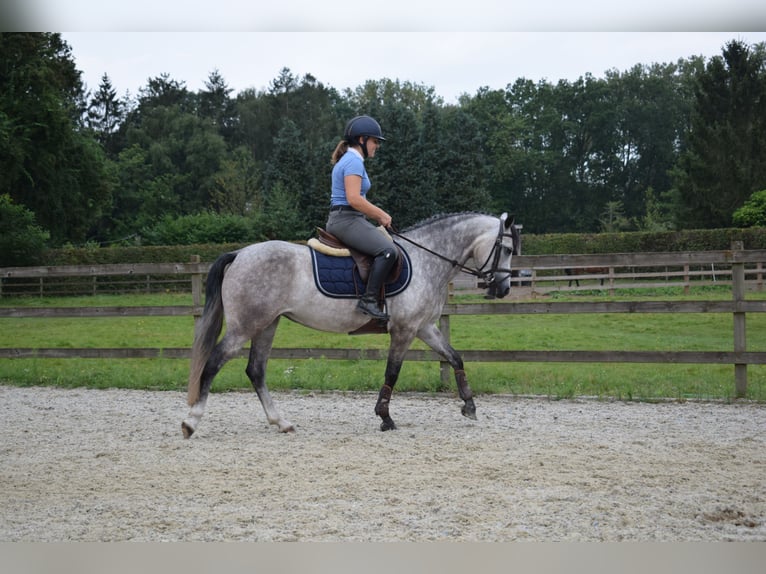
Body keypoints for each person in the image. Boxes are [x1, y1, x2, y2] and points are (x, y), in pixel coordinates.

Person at [326, 115, 398, 321]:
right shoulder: (353, 162)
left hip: (350, 218)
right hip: (346, 219)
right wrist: (381, 214)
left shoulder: (351, 160)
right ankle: (368, 300)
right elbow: (354, 199)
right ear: (362, 140)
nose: (377, 146)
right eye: (375, 141)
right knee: (387, 251)